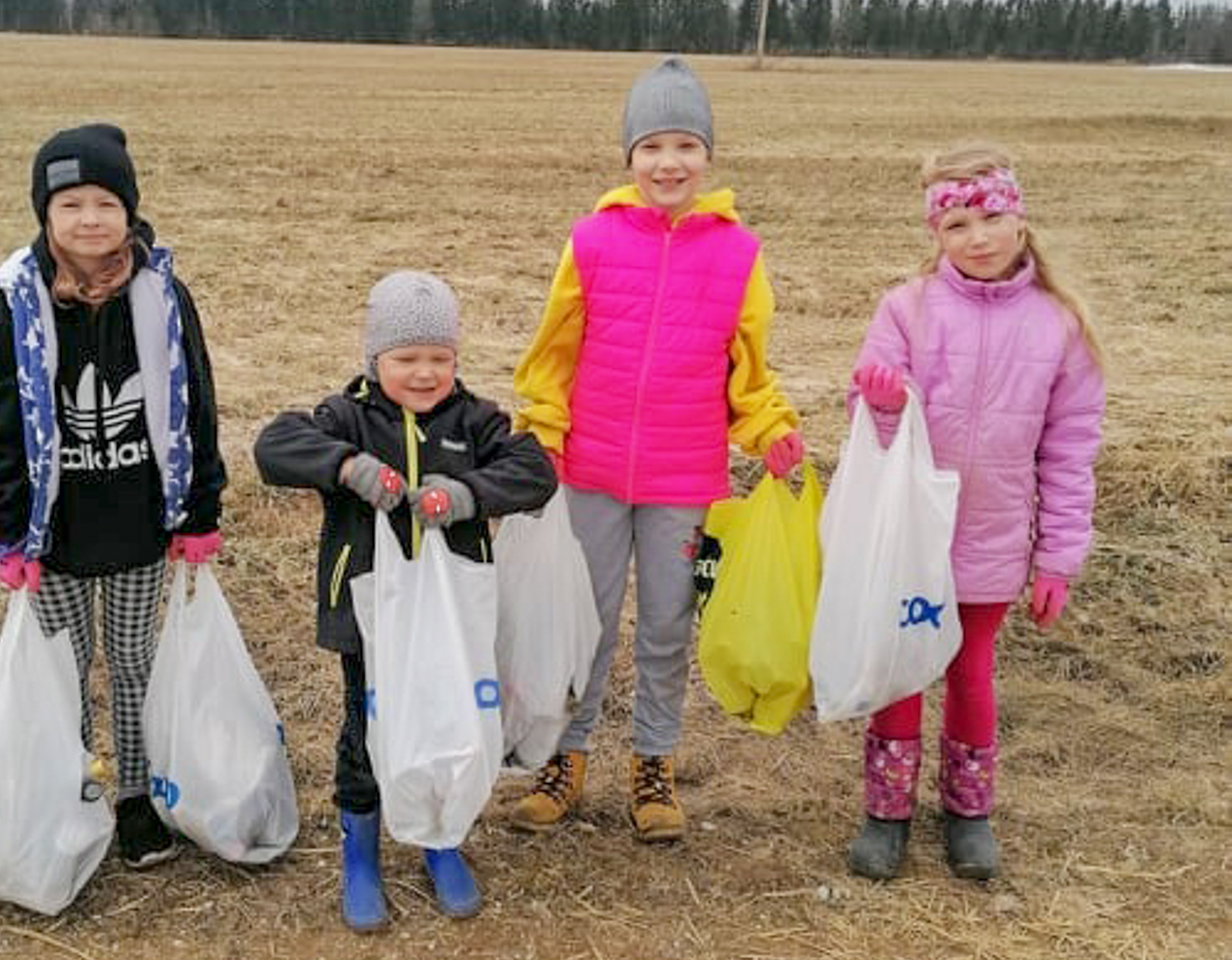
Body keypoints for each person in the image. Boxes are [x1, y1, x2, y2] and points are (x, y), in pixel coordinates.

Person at [509, 56, 803, 843]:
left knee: (667, 626)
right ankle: (563, 759)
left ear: (708, 155)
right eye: (651, 147)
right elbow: (555, 352)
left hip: (683, 478)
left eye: (684, 145)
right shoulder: (592, 241)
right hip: (593, 473)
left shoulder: (739, 254)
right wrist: (542, 431)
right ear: (629, 157)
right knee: (587, 622)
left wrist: (771, 429)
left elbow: (749, 369)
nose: (668, 163)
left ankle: (654, 765)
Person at [0, 123, 227, 870]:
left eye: (105, 202)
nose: (88, 220)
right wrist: (9, 525)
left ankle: (137, 797)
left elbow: (196, 404)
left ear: (129, 211)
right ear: (45, 215)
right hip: (58, 533)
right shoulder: (15, 308)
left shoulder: (163, 297)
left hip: (140, 523)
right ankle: (72, 788)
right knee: (63, 667)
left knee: (138, 660)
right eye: (69, 203)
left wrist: (199, 509)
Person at [253, 270, 556, 931]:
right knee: (368, 733)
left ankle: (440, 840)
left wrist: (468, 494)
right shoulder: (348, 416)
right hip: (369, 616)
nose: (424, 374)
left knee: (447, 723)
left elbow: (535, 471)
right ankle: (360, 852)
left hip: (452, 620)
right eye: (406, 359)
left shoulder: (474, 419)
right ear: (375, 358)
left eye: (439, 359)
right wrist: (348, 468)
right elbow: (273, 446)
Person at [844, 144, 1105, 881]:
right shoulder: (908, 309)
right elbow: (869, 429)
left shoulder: (1060, 326)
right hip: (912, 544)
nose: (978, 237)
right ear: (937, 236)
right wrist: (884, 405)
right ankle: (885, 811)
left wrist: (1057, 557)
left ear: (1020, 219)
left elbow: (1070, 452)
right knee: (902, 672)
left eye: (991, 217)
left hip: (993, 539)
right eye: (957, 224)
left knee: (971, 671)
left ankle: (968, 812)